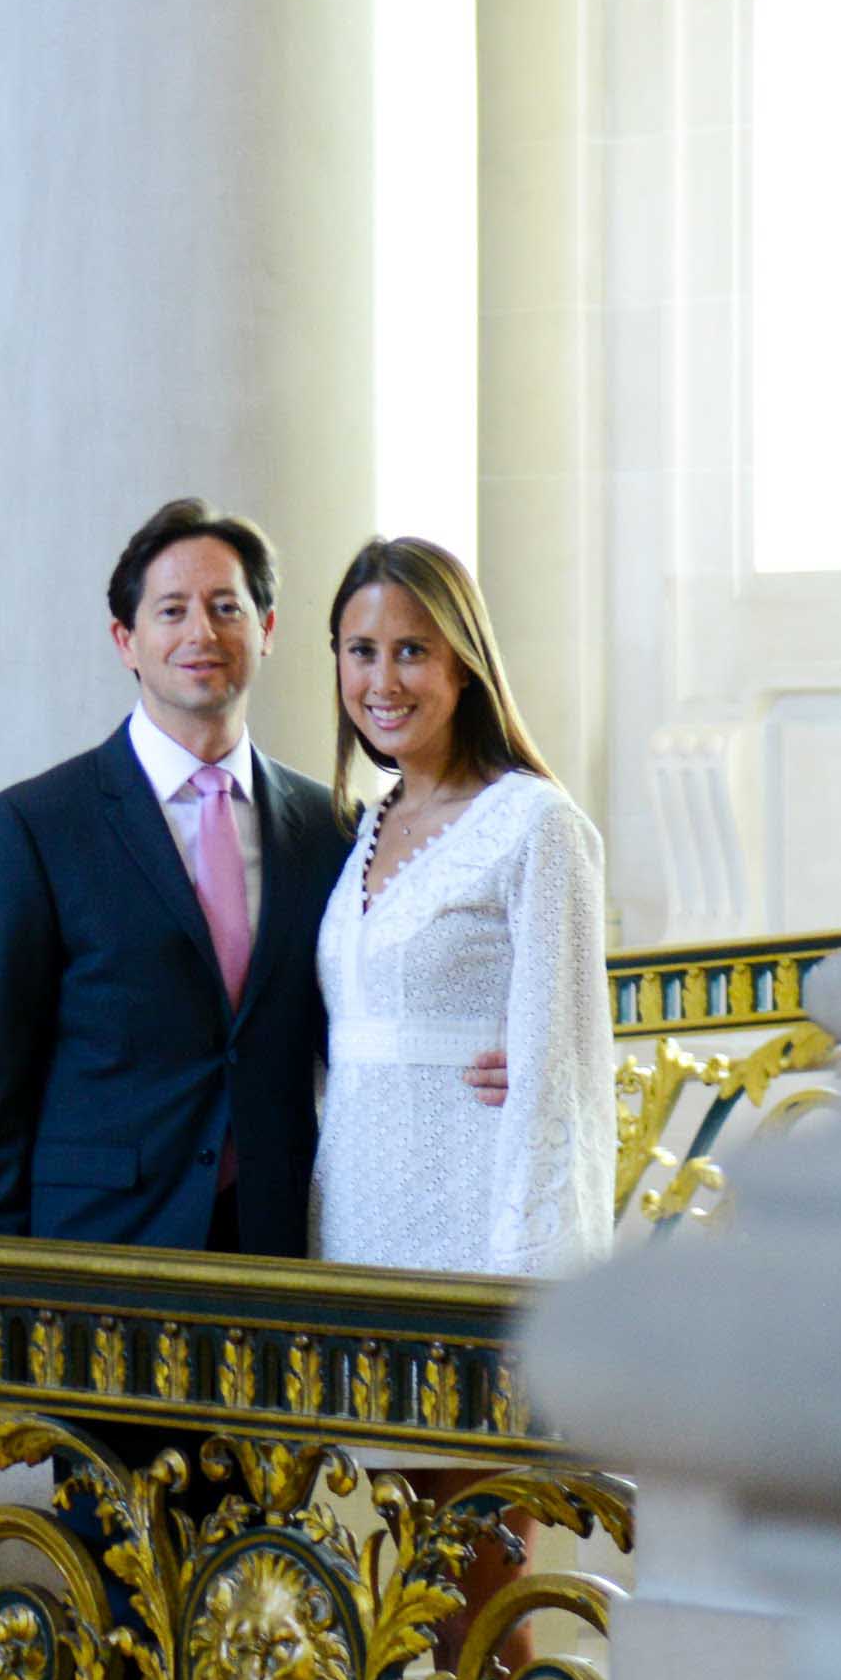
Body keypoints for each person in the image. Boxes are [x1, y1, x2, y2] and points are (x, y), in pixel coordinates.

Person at [0, 501, 504, 1251]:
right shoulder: (31, 829)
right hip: (95, 1250)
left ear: (266, 632)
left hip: (281, 1242)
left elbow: (371, 1015)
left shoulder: (335, 830)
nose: (201, 634)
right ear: (126, 642)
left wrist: (506, 1061)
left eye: (225, 608)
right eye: (171, 611)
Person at [308, 535, 614, 1276]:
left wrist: (531, 1281)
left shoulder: (537, 825)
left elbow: (561, 1082)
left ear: (464, 666)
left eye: (411, 650)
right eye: (361, 651)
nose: (383, 680)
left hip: (473, 1231)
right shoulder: (358, 829)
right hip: (348, 1224)